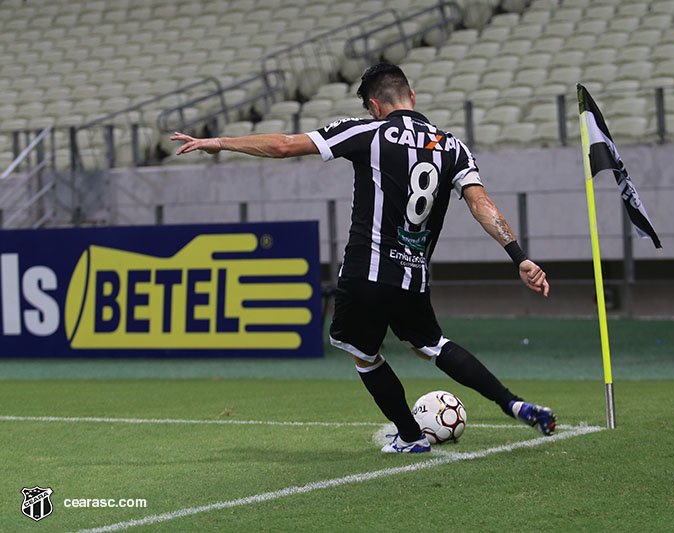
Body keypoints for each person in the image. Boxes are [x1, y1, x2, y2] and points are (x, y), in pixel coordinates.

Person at [171, 63, 556, 453]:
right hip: (414, 275)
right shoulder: (451, 145)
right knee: (432, 346)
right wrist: (518, 257)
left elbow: (285, 145)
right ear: (412, 97)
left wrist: (220, 142)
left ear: (374, 105)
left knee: (363, 354)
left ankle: (410, 436)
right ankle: (512, 402)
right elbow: (481, 204)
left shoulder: (367, 131)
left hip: (366, 271)